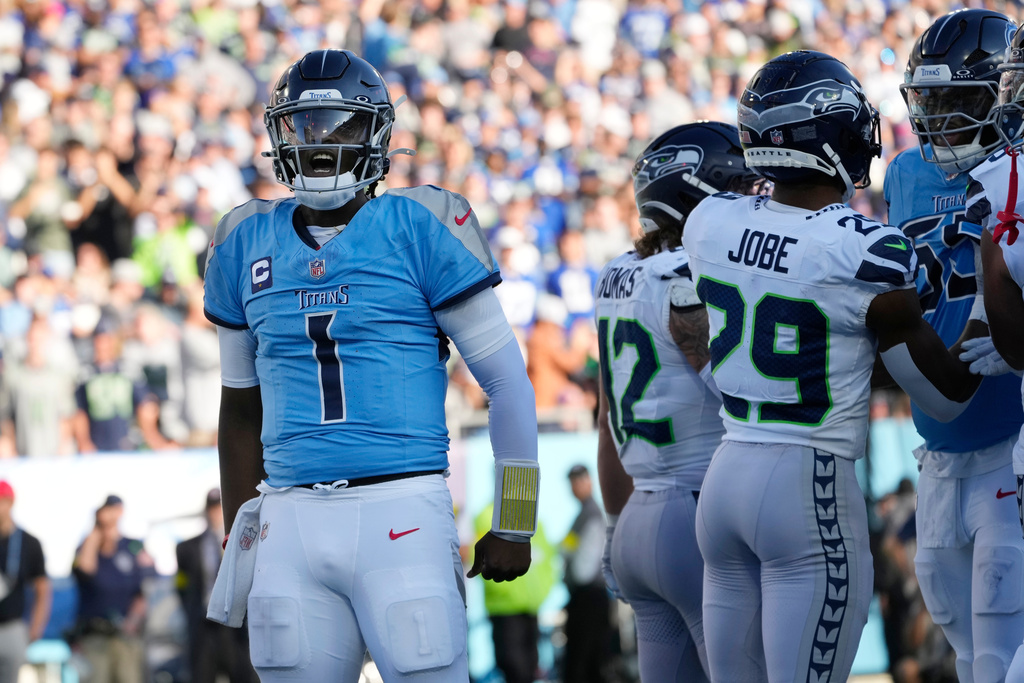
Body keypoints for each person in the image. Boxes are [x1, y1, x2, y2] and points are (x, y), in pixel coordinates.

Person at [202, 49, 539, 683]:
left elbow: (507, 384)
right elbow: (239, 405)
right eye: (304, 127)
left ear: (378, 133)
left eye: (340, 126)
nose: (321, 144)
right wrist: (239, 538)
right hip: (289, 517)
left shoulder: (422, 223)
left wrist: (516, 518)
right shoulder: (243, 238)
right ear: (278, 135)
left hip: (402, 508)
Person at [684, 50, 984, 683]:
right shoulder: (865, 248)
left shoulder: (708, 222)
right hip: (806, 481)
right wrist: (990, 319)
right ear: (836, 137)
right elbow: (945, 396)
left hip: (726, 476)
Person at [595, 120, 765, 683]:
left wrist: (615, 525)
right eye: (741, 186)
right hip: (695, 516)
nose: (754, 197)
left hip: (639, 518)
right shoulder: (684, 276)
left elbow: (606, 424)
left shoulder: (617, 274)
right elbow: (743, 393)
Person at [886, 10, 1024, 681]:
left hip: (1008, 446)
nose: (939, 119)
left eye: (957, 102)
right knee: (967, 657)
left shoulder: (1016, 171)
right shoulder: (904, 174)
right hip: (938, 452)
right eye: (930, 101)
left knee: (1002, 655)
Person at [176, 489, 257, 683]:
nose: (215, 514)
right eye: (212, 509)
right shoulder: (187, 548)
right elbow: (181, 584)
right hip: (204, 626)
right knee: (202, 674)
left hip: (234, 626)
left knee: (242, 673)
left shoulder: (241, 543)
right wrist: (192, 613)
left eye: (219, 508)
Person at [471, 503, 557, 683]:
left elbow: (547, 558)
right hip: (505, 610)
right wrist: (504, 589)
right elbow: (480, 558)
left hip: (530, 608)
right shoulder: (486, 516)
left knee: (530, 669)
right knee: (513, 668)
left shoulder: (533, 519)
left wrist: (541, 592)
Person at [72, 495, 152, 683]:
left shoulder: (132, 545)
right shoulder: (86, 547)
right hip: (94, 635)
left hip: (125, 634)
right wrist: (98, 529)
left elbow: (143, 588)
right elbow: (85, 570)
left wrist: (132, 621)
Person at [560, 464, 610, 683]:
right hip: (585, 597)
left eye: (579, 481)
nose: (575, 487)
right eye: (572, 482)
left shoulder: (591, 515)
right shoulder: (582, 516)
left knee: (585, 663)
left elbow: (582, 570)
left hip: (589, 597)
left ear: (589, 482)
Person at [0, 481, 50, 683]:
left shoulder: (28, 543)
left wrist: (35, 628)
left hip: (12, 627)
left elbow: (43, 589)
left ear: (10, 503)